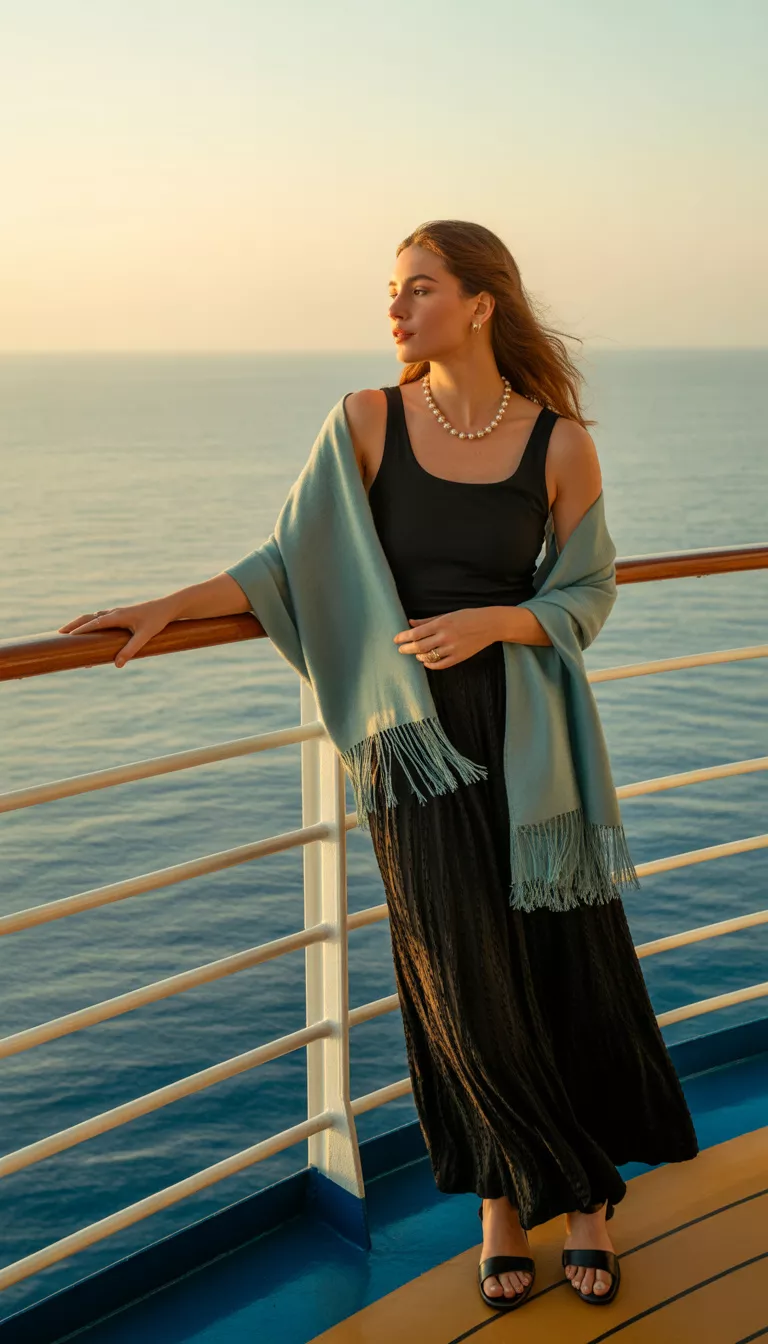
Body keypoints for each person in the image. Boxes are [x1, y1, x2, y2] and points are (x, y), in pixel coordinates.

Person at [59, 218, 699, 1314]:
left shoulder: (558, 443)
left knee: (560, 960)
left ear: (481, 302)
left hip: (528, 732)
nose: (394, 309)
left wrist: (500, 622)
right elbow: (287, 563)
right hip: (412, 747)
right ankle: (506, 1199)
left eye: (417, 288)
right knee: (457, 976)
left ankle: (586, 1198)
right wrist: (166, 605)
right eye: (391, 291)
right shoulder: (364, 421)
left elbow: (587, 592)